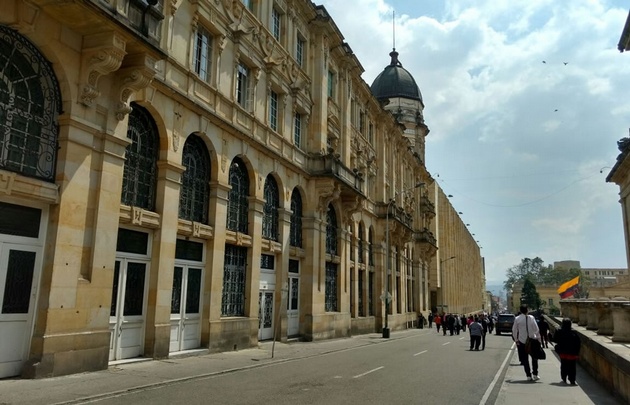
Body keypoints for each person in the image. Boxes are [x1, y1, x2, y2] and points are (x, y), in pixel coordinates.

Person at [512, 305, 541, 381]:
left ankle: (528, 375)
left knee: (525, 359)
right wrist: (538, 339)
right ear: (527, 310)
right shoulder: (531, 318)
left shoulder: (517, 319)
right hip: (532, 340)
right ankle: (535, 374)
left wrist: (516, 340)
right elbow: (536, 329)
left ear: (521, 311)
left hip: (522, 341)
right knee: (534, 358)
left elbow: (514, 330)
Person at [553, 318, 581, 385]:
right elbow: (578, 343)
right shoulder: (574, 332)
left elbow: (555, 340)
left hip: (563, 352)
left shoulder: (559, 331)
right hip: (572, 353)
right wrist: (577, 352)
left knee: (564, 364)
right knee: (572, 366)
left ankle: (564, 377)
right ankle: (572, 379)